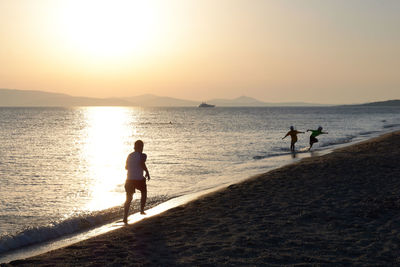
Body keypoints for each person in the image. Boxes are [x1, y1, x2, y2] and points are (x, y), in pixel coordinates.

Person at [123, 140, 151, 224]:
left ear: (134, 147)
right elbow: (142, 163)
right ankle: (142, 210)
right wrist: (147, 172)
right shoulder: (143, 155)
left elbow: (126, 167)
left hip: (129, 180)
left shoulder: (129, 155)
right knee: (144, 192)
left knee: (128, 199)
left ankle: (125, 217)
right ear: (141, 147)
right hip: (138, 180)